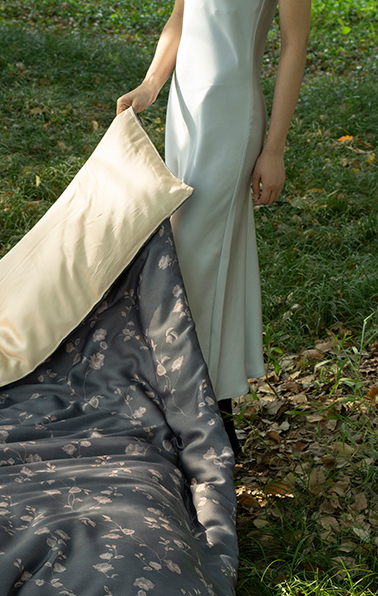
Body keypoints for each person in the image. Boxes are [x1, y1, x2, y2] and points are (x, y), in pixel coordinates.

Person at [116, 0, 311, 455]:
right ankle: (210, 409)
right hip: (184, 111)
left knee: (197, 260)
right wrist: (150, 85)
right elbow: (181, 16)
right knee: (191, 259)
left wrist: (274, 149)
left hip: (230, 115)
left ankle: (200, 413)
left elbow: (294, 47)